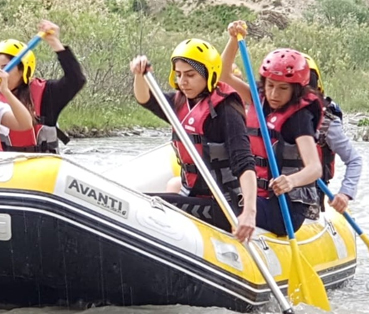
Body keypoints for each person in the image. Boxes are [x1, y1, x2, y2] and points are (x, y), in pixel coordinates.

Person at [129, 38, 258, 243]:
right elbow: (145, 99)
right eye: (179, 75)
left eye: (190, 75)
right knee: (137, 201)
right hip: (192, 195)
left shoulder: (226, 110)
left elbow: (245, 164)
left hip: (224, 204)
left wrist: (249, 213)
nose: (183, 82)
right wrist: (139, 75)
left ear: (209, 74)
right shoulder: (180, 102)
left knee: (143, 204)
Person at [220, 20, 324, 236]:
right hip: (256, 195)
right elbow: (223, 75)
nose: (274, 94)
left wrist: (291, 181)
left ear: (295, 90)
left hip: (286, 208)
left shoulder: (299, 118)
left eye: (283, 88)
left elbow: (315, 168)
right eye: (270, 86)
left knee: (222, 208)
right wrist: (233, 40)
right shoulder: (258, 98)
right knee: (216, 200)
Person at [0, 20, 87, 154]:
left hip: (42, 165)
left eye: (6, 67)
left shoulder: (47, 94)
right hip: (5, 167)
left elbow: (76, 80)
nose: (0, 73)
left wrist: (55, 43)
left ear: (23, 70)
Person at [302, 54, 363, 213]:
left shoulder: (327, 124)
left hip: (310, 202)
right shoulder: (270, 115)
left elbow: (354, 160)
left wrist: (345, 193)